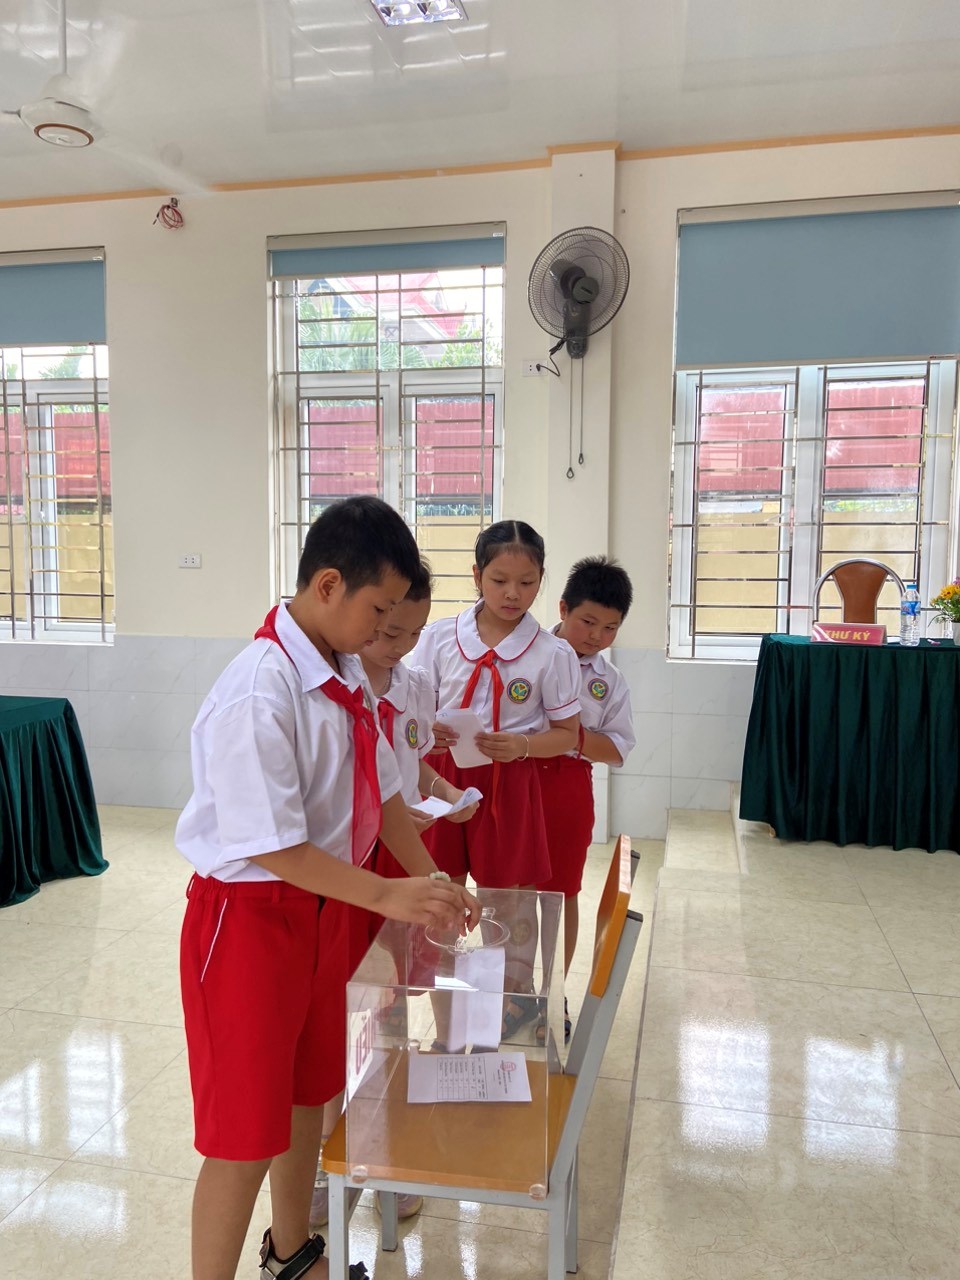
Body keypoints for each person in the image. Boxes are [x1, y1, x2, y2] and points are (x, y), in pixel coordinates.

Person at [175, 495, 479, 1280]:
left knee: (309, 1092)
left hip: (321, 910)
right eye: (378, 611)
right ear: (329, 585)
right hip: (249, 922)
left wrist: (429, 879)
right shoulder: (261, 689)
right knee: (244, 1135)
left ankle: (291, 1251)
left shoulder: (345, 676)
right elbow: (271, 846)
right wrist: (385, 896)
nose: (383, 631)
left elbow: (384, 792)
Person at [308, 559, 480, 1233]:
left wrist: (448, 793)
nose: (395, 643)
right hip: (353, 866)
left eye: (410, 633)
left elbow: (409, 770)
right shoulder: (334, 683)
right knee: (340, 1008)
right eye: (385, 628)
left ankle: (386, 1155)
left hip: (407, 855)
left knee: (396, 1003)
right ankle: (329, 1160)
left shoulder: (414, 687)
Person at [410, 519, 580, 1035]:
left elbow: (567, 735)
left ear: (542, 580)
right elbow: (411, 714)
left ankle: (510, 1006)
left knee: (507, 902)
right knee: (440, 893)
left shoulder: (552, 653)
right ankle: (446, 1024)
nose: (512, 594)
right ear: (476, 575)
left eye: (527, 582)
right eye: (499, 580)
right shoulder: (439, 637)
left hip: (511, 785)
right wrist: (429, 732)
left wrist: (523, 745)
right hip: (443, 779)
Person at [537, 555, 635, 1036]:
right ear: (563, 609)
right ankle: (512, 995)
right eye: (587, 622)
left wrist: (570, 737)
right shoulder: (526, 654)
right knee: (509, 892)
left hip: (568, 789)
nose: (596, 636)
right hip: (515, 783)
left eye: (610, 628)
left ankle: (552, 995)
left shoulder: (609, 681)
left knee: (561, 893)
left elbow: (616, 749)